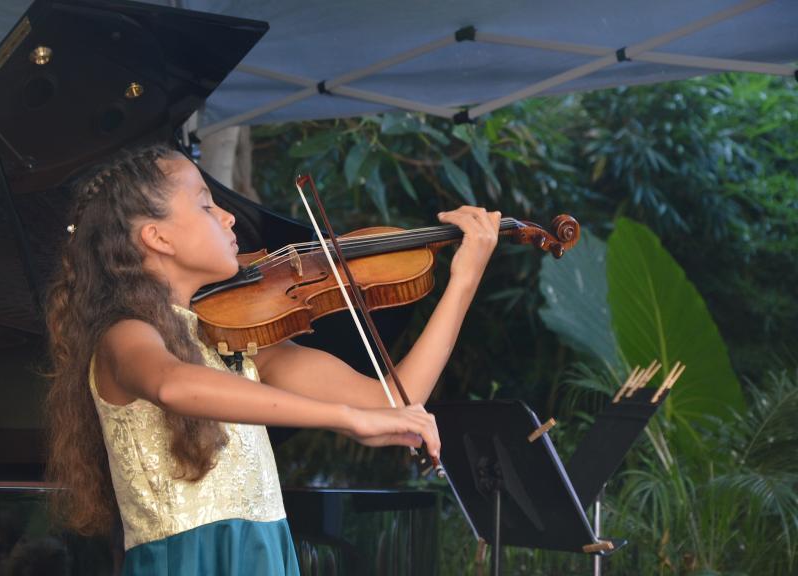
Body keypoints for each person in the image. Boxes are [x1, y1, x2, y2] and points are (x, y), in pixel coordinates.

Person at [44, 142, 500, 575]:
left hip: (263, 553)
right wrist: (343, 418)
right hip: (188, 562)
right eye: (206, 205)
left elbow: (391, 402)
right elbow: (174, 386)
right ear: (157, 237)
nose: (228, 217)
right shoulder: (124, 336)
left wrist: (463, 281)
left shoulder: (238, 342)